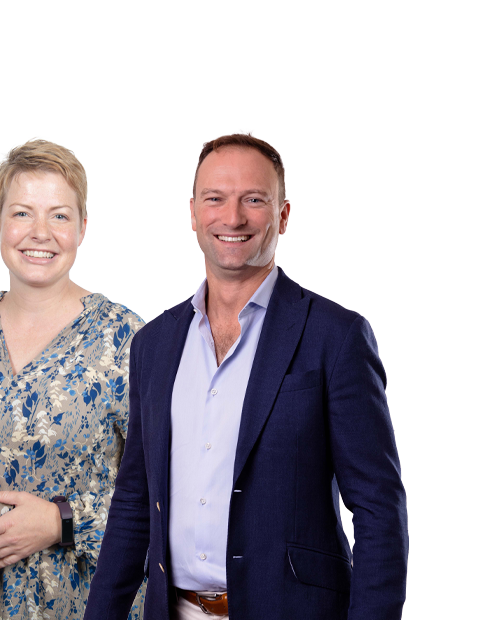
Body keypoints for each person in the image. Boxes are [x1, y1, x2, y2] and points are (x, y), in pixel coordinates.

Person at [83, 131, 408, 620]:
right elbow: (133, 502)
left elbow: (380, 509)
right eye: (215, 199)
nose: (232, 218)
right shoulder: (153, 345)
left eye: (253, 200)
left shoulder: (336, 337)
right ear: (194, 212)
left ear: (283, 215)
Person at [0, 138, 146, 620]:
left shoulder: (126, 338)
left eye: (59, 215)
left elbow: (159, 485)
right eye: (22, 213)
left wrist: (62, 522)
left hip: (91, 603)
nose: (41, 233)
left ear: (82, 227)